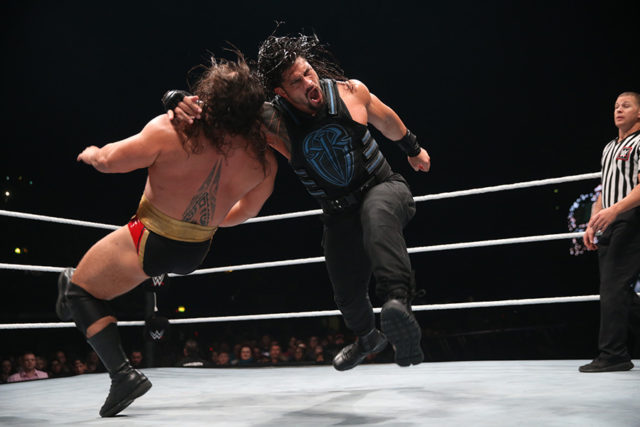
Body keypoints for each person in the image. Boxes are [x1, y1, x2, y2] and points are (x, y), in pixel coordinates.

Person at [166, 33, 431, 371]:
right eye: (297, 81)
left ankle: (398, 304)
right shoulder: (271, 121)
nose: (309, 82)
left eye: (308, 72)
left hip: (384, 187)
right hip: (338, 212)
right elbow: (219, 112)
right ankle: (368, 338)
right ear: (281, 92)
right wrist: (177, 99)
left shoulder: (350, 92)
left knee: (376, 216)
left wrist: (413, 148)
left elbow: (387, 119)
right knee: (346, 292)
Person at [55, 54, 277, 417]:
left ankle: (123, 375)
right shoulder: (264, 162)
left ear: (208, 98)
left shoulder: (171, 130)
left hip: (150, 237)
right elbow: (247, 211)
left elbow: (111, 162)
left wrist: (93, 153)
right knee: (78, 285)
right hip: (197, 249)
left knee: (78, 290)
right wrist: (207, 220)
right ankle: (78, 304)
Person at [580, 91, 640, 373]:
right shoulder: (608, 148)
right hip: (611, 219)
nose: (618, 110)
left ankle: (613, 354)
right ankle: (616, 353)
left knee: (614, 287)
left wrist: (616, 211)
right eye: (616, 106)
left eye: (626, 105)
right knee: (617, 290)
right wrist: (593, 222)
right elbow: (605, 189)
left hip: (632, 217)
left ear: (639, 113)